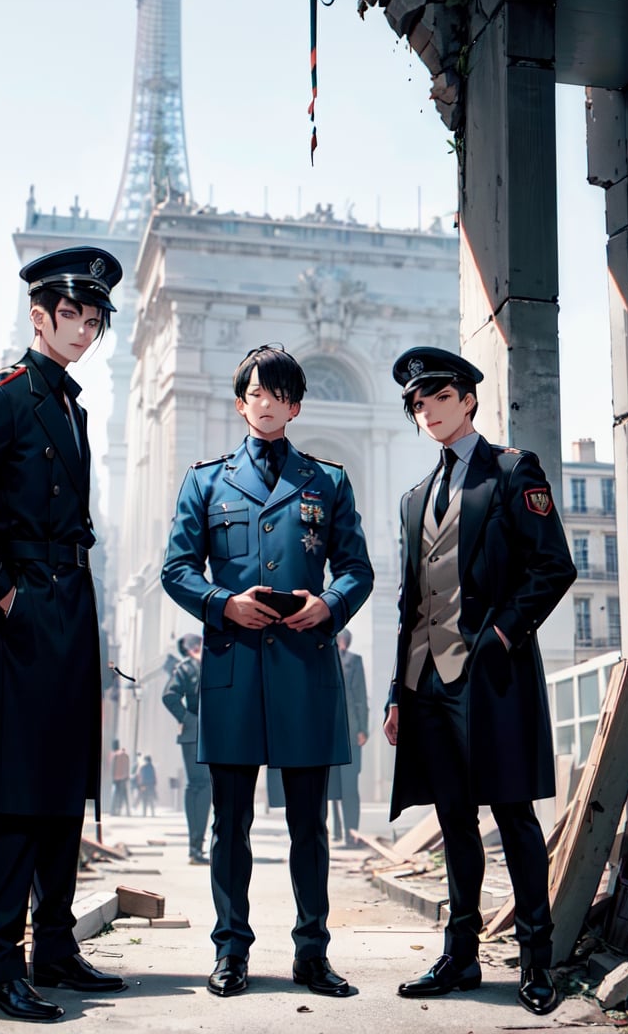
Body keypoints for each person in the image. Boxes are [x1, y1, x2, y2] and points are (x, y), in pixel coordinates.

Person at [0, 246, 126, 1022]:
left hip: (75, 605)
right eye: (69, 314)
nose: (81, 327)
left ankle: (56, 947)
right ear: (38, 316)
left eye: (93, 317)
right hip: (26, 604)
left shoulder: (72, 406)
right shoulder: (3, 396)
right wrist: (1, 595)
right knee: (18, 793)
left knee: (64, 785)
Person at [161, 344, 373, 1000]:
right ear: (241, 401)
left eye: (281, 394)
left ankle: (312, 952)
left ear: (296, 405)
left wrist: (328, 605)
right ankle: (231, 951)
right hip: (232, 668)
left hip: (305, 668)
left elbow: (357, 570)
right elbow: (176, 569)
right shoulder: (205, 482)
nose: (269, 403)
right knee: (231, 823)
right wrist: (222, 604)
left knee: (309, 824)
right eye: (258, 392)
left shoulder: (328, 482)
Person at [383, 346, 576, 1018]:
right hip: (428, 683)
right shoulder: (414, 500)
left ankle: (536, 963)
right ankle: (459, 957)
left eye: (436, 396)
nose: (425, 410)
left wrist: (499, 637)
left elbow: (552, 567)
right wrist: (395, 692)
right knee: (453, 822)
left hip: (492, 676)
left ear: (467, 398)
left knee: (514, 818)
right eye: (415, 402)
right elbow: (411, 603)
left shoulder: (514, 470)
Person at [162, 634, 211, 864]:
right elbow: (169, 695)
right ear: (195, 648)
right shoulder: (186, 667)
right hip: (194, 734)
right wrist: (188, 720)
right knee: (200, 788)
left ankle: (199, 847)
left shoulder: (208, 663)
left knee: (205, 789)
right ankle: (195, 848)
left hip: (211, 733)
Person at [329, 629, 369, 847]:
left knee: (349, 787)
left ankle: (350, 834)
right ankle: (337, 831)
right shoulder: (324, 658)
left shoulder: (353, 661)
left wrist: (363, 729)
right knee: (333, 786)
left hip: (350, 734)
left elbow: (360, 697)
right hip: (331, 735)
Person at [109, 739, 131, 816]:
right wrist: (127, 776)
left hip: (116, 778)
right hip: (124, 778)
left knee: (115, 795)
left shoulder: (114, 755)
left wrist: (112, 778)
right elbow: (128, 767)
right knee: (125, 795)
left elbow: (112, 768)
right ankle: (128, 812)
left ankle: (113, 811)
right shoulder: (126, 755)